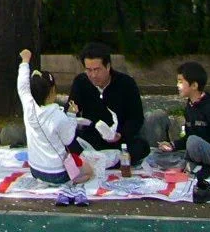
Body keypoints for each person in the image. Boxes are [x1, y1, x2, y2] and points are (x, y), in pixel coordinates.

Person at [18, 49, 95, 206]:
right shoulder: (59, 116)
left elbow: (22, 84)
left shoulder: (28, 104)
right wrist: (72, 115)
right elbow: (69, 140)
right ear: (52, 90)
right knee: (89, 171)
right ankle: (69, 185)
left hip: (35, 170)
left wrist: (25, 61)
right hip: (57, 173)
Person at [157, 60, 210, 203]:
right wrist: (172, 145)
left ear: (194, 85)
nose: (178, 86)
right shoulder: (190, 107)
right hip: (197, 151)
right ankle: (191, 164)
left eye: (181, 82)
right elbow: (188, 135)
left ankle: (205, 167)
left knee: (192, 142)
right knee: (161, 157)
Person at [67, 40, 149, 165]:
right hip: (92, 138)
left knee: (141, 147)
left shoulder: (126, 83)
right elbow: (70, 111)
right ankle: (105, 161)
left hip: (120, 140)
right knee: (68, 143)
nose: (93, 75)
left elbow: (136, 118)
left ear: (108, 66)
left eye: (97, 70)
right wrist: (74, 117)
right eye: (89, 70)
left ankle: (104, 161)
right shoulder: (81, 82)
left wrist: (120, 134)